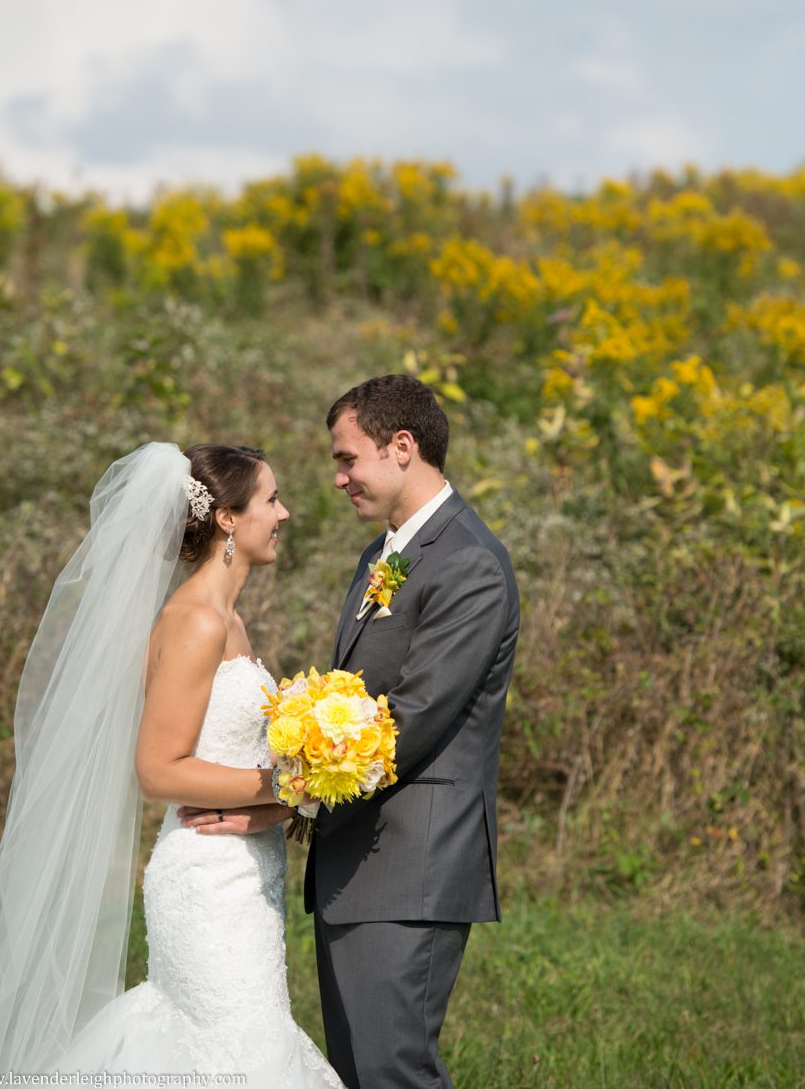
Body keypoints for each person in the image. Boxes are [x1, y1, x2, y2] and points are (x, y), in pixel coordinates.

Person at [0, 441, 344, 1088]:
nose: (284, 512)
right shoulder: (197, 621)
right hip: (207, 879)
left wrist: (289, 799)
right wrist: (283, 783)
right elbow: (158, 768)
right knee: (238, 1053)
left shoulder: (230, 621)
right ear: (228, 517)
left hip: (246, 870)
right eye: (272, 498)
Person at [305, 374, 519, 1089]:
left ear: (402, 446)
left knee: (393, 1072)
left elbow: (410, 718)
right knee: (357, 1072)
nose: (339, 478)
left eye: (347, 458)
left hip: (411, 867)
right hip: (357, 860)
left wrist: (287, 789)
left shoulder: (469, 564)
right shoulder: (383, 554)